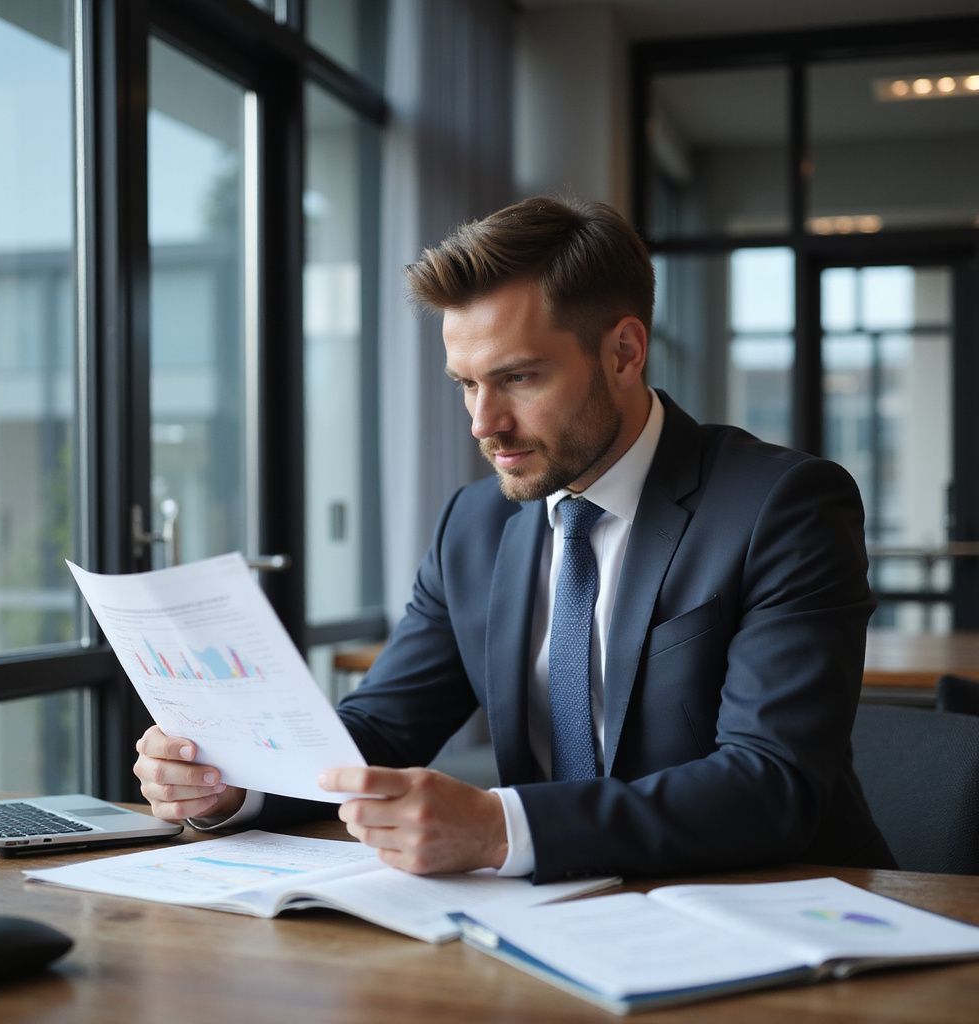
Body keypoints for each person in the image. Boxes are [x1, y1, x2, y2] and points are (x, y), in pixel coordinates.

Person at [134, 196, 892, 882]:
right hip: (544, 917)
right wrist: (239, 780)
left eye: (519, 379)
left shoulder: (782, 506)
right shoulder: (474, 523)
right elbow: (385, 725)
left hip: (778, 912)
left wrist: (501, 829)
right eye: (465, 383)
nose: (482, 423)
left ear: (625, 353)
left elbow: (771, 784)